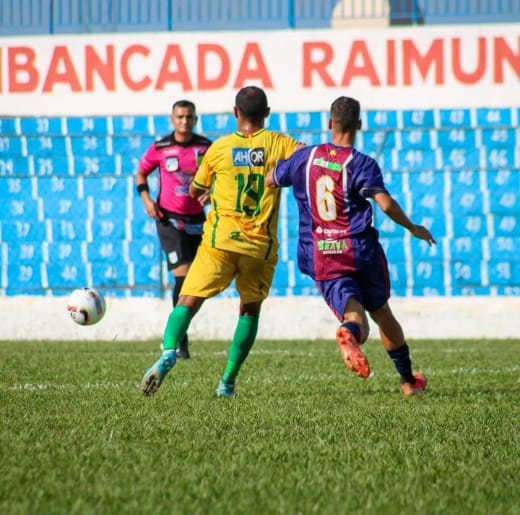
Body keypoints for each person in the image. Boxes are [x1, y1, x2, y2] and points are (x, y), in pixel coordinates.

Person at [265, 96, 436, 397]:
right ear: (358, 124)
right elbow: (384, 203)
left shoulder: (304, 158)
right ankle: (409, 381)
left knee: (355, 318)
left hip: (322, 254)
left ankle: (350, 333)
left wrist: (286, 163)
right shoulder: (361, 164)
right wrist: (412, 227)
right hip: (360, 250)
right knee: (381, 312)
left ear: (330, 123)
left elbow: (270, 180)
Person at [140, 85, 302, 397]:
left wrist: (209, 191)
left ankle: (168, 352)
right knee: (249, 311)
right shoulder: (280, 143)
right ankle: (226, 383)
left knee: (188, 299)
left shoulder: (219, 148)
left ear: (235, 113)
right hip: (258, 246)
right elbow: (306, 157)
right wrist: (279, 172)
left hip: (220, 241)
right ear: (267, 113)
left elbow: (196, 190)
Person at [136, 100, 212, 360]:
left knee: (195, 280)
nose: (184, 121)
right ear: (172, 119)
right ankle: (180, 340)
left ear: (195, 119)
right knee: (183, 277)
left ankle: (180, 335)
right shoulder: (161, 147)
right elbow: (140, 174)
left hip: (197, 220)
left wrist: (212, 192)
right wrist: (146, 200)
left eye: (189, 117)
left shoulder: (206, 147)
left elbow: (221, 175)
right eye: (180, 116)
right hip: (169, 220)